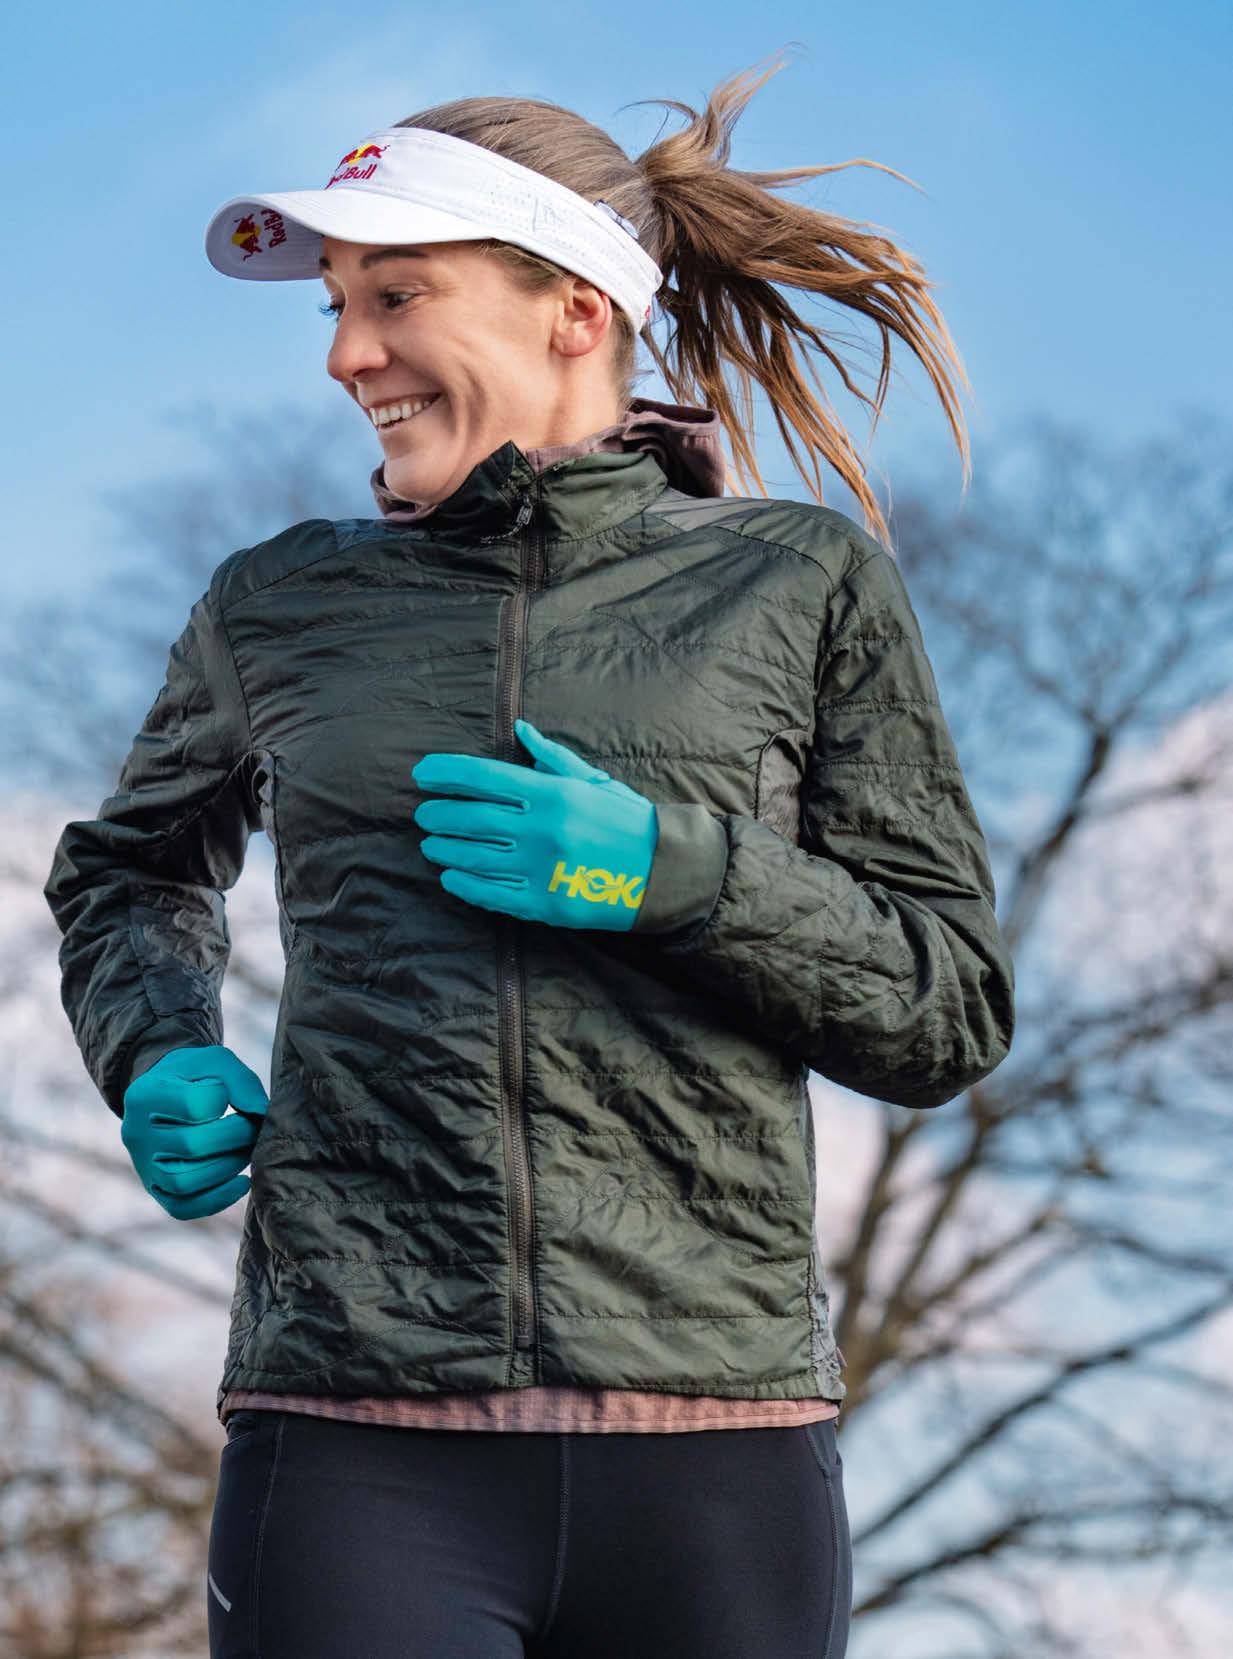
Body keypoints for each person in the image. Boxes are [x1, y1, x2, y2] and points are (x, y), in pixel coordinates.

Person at [43, 51, 1015, 1659]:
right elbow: (131, 871)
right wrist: (154, 1044)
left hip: (716, 1441)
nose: (347, 354)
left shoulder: (799, 582)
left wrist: (675, 874)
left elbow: (945, 1007)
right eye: (334, 308)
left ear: (572, 309)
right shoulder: (277, 603)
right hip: (354, 1429)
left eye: (396, 297)